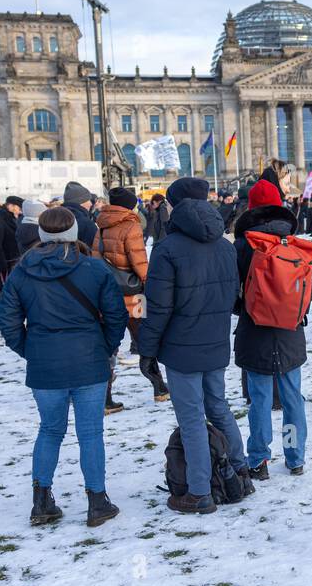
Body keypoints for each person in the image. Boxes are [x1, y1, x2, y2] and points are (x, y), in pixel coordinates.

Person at [0, 207, 127, 528]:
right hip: (88, 362)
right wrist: (105, 347)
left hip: (46, 364)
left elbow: (8, 322)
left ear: (41, 235)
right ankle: (97, 500)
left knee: (50, 430)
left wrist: (31, 350)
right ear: (73, 233)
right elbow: (116, 316)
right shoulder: (94, 270)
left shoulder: (21, 272)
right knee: (90, 433)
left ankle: (41, 500)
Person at [140, 177, 251, 513]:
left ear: (176, 205)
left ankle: (200, 491)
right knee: (218, 407)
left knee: (191, 419)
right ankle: (239, 472)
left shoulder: (167, 248)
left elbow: (157, 308)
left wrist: (146, 350)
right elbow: (233, 295)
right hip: (214, 342)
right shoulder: (224, 246)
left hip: (182, 347)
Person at [232, 173, 309, 480]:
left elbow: (231, 293)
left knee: (260, 400)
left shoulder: (242, 246)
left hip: (255, 332)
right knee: (292, 399)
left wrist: (248, 308)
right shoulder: (296, 243)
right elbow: (308, 292)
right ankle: (294, 457)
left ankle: (259, 458)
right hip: (290, 332)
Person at [95, 188, 170, 402]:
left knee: (109, 346)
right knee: (144, 341)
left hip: (106, 296)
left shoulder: (100, 226)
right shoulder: (131, 225)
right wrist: (150, 284)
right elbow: (139, 262)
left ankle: (106, 397)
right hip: (134, 296)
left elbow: (94, 259)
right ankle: (159, 386)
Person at [0, 196, 23, 289]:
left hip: (15, 262)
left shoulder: (14, 218)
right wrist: (2, 265)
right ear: (11, 206)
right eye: (19, 208)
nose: (21, 211)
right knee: (6, 292)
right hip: (6, 264)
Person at [61, 182, 99, 247]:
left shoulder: (54, 219)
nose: (91, 204)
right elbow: (95, 249)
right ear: (81, 202)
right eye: (88, 200)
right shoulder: (87, 224)